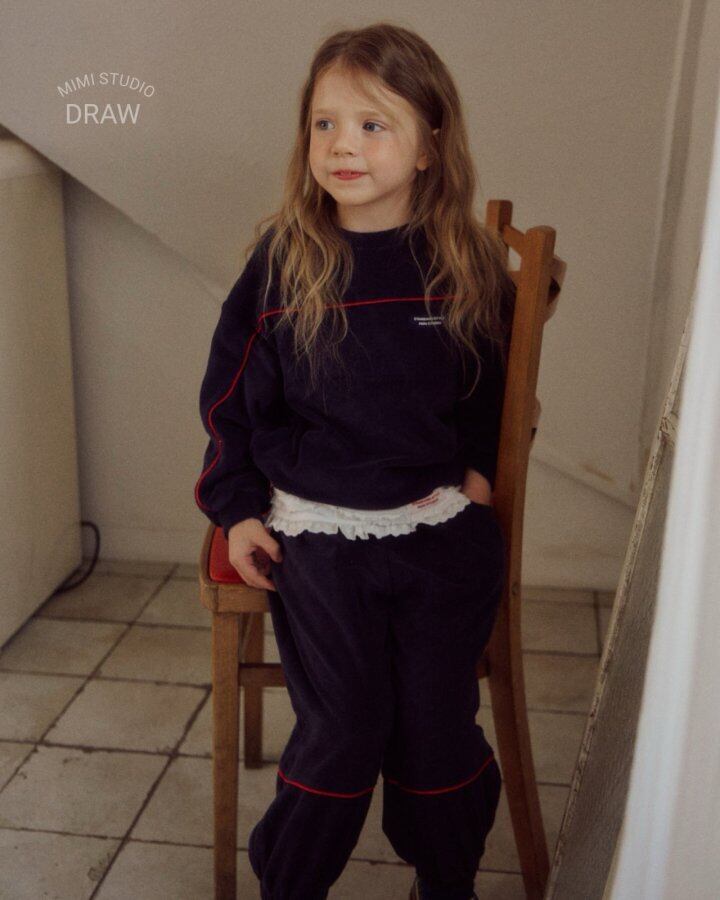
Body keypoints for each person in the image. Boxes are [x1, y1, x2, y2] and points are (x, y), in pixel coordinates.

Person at [194, 21, 516, 900]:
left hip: (436, 529)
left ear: (429, 146)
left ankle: (445, 879)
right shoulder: (284, 262)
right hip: (318, 534)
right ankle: (291, 885)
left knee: (435, 728)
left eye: (373, 125)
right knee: (345, 729)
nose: (343, 145)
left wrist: (480, 468)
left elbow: (493, 389)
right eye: (325, 124)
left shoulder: (463, 263)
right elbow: (230, 403)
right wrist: (238, 509)